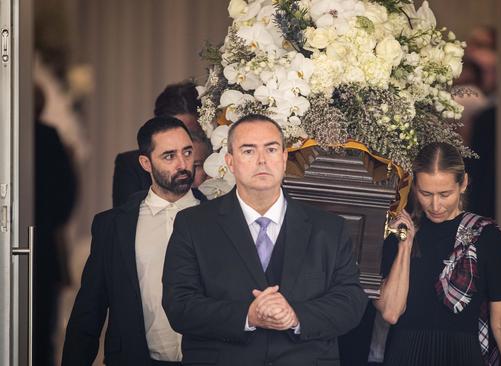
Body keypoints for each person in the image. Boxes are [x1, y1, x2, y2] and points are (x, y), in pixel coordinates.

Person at [162, 114, 368, 366]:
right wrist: (247, 316)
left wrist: (295, 316)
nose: (262, 160)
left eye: (271, 149)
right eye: (248, 151)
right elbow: (178, 305)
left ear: (283, 158)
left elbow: (351, 302)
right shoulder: (193, 224)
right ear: (230, 162)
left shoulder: (329, 228)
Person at [62, 117, 207, 366]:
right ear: (146, 163)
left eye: (187, 152)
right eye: (169, 156)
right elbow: (89, 311)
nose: (183, 164)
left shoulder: (219, 218)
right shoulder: (113, 226)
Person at [374, 142, 501, 366]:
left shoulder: (487, 237)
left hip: (463, 355)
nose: (435, 205)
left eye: (445, 194)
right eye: (426, 193)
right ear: (414, 186)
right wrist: (405, 245)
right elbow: (391, 312)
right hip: (405, 354)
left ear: (463, 183)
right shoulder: (396, 233)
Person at [33, 85, 78, 366]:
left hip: (43, 239)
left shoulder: (47, 136)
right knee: (42, 326)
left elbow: (67, 190)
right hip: (45, 238)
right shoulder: (48, 136)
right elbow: (68, 190)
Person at [112, 81, 204, 207]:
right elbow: (125, 218)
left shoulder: (217, 160)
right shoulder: (130, 164)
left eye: (192, 134)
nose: (182, 163)